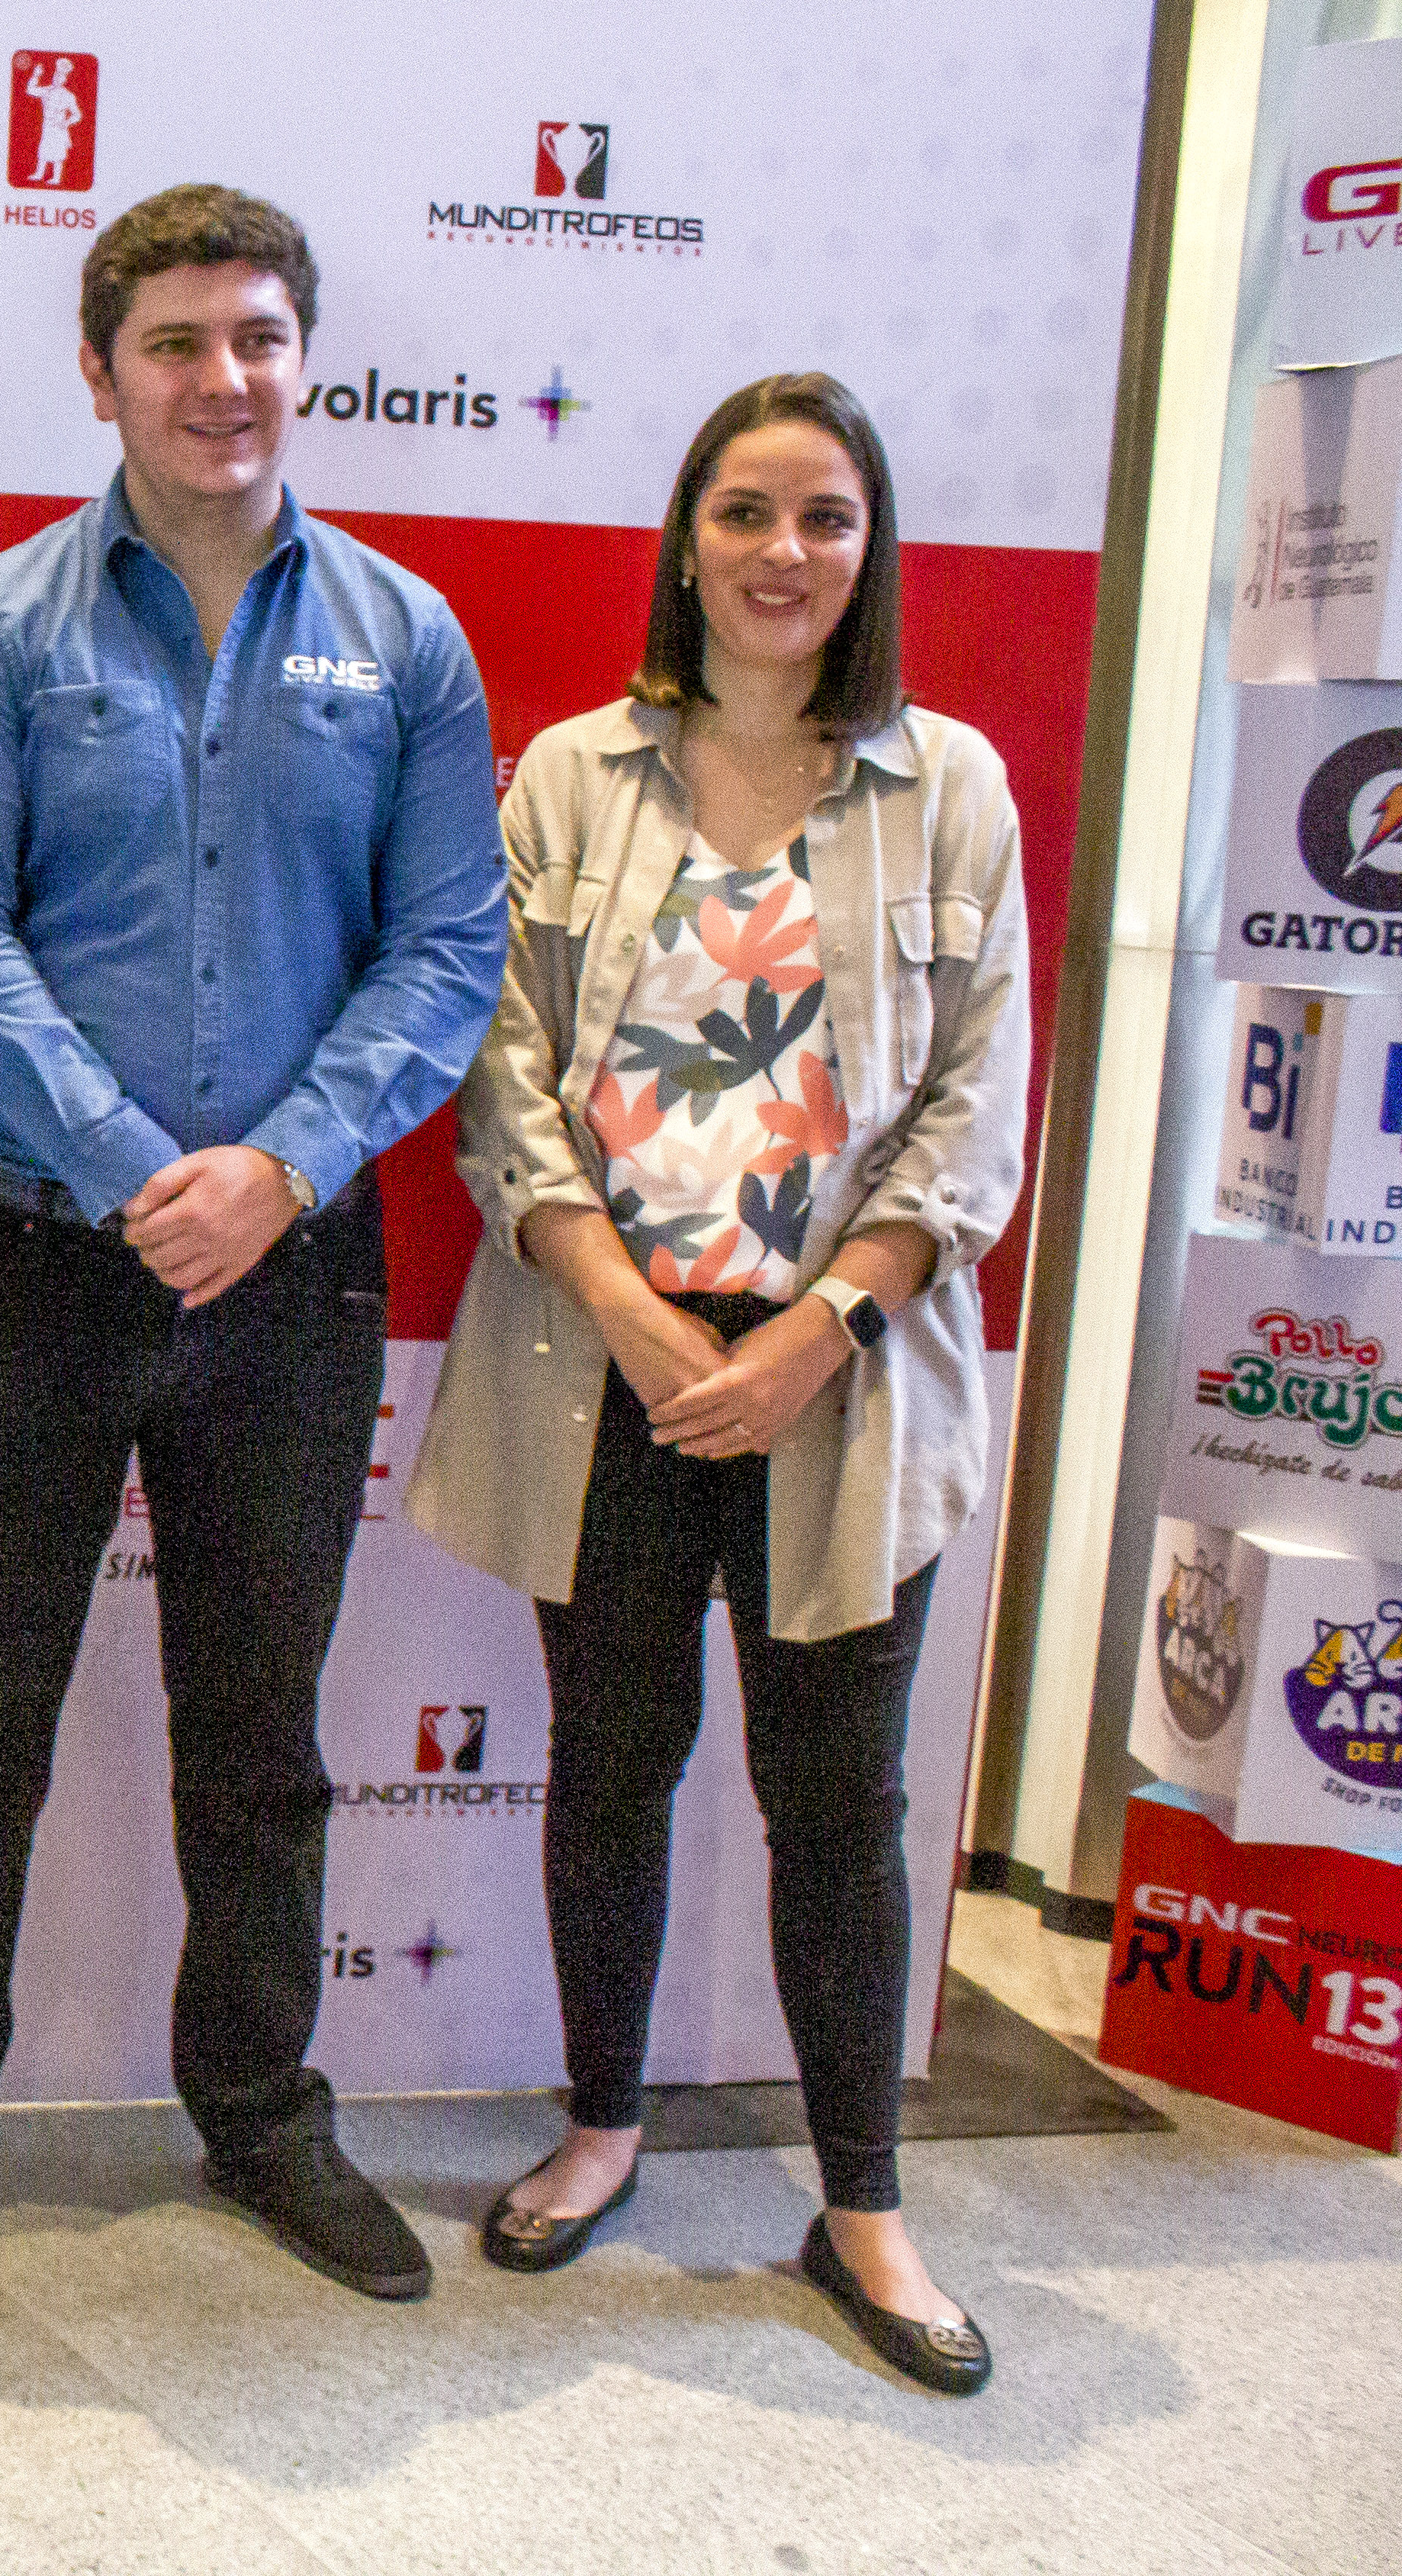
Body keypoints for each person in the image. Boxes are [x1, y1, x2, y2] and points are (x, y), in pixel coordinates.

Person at [0, 183, 504, 2297]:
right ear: (99, 372)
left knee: (262, 1735)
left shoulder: (402, 638)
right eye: (179, 344)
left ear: (309, 360)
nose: (226, 381)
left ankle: (267, 2110)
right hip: (30, 1261)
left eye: (261, 339)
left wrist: (276, 1169)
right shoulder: (6, 629)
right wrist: (134, 1169)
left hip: (294, 1281)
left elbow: (449, 948)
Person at [404, 373, 1026, 2396]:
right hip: (614, 1372)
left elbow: (973, 1114)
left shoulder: (955, 791)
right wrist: (649, 1323)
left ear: (873, 551)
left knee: (842, 1799)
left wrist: (815, 1327)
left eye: (826, 518)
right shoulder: (575, 780)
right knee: (610, 1760)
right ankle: (604, 2125)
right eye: (747, 512)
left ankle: (863, 2203)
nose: (784, 553)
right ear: (687, 537)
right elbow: (503, 1071)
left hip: (843, 1383)